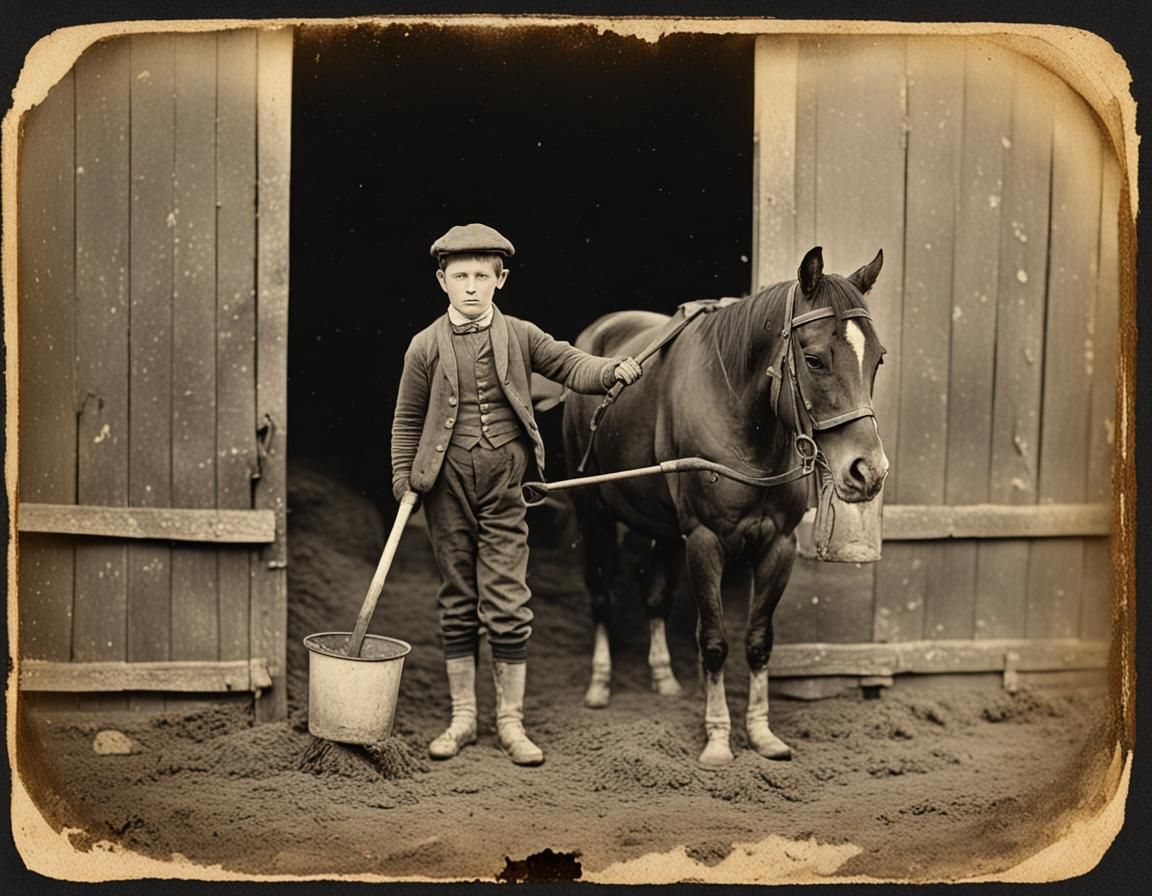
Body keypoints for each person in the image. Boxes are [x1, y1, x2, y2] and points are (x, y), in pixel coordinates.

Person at [391, 223, 642, 766]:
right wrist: (402, 480)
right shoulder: (424, 346)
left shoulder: (522, 335)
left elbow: (571, 363)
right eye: (461, 276)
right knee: (457, 598)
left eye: (482, 276)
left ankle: (510, 722)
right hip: (445, 488)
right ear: (442, 281)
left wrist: (608, 371)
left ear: (500, 279)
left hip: (506, 487)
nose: (471, 287)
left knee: (507, 599)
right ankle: (462, 719)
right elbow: (407, 421)